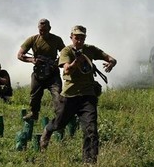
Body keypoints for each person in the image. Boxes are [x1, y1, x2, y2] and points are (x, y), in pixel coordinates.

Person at [40, 25, 117, 164]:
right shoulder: (66, 51)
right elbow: (67, 70)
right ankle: (48, 130)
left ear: (85, 38)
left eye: (82, 37)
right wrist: (77, 61)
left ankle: (89, 162)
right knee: (59, 124)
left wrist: (111, 63)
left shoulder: (90, 50)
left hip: (88, 96)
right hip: (70, 96)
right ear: (71, 37)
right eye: (77, 37)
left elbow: (110, 58)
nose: (79, 40)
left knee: (91, 130)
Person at [17, 18, 65, 121]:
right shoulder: (33, 40)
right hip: (39, 73)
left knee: (58, 96)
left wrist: (57, 62)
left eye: (45, 30)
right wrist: (32, 60)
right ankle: (34, 114)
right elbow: (20, 55)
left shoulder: (57, 40)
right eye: (41, 30)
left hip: (53, 73)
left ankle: (59, 118)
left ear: (50, 28)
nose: (42, 32)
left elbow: (65, 54)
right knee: (34, 96)